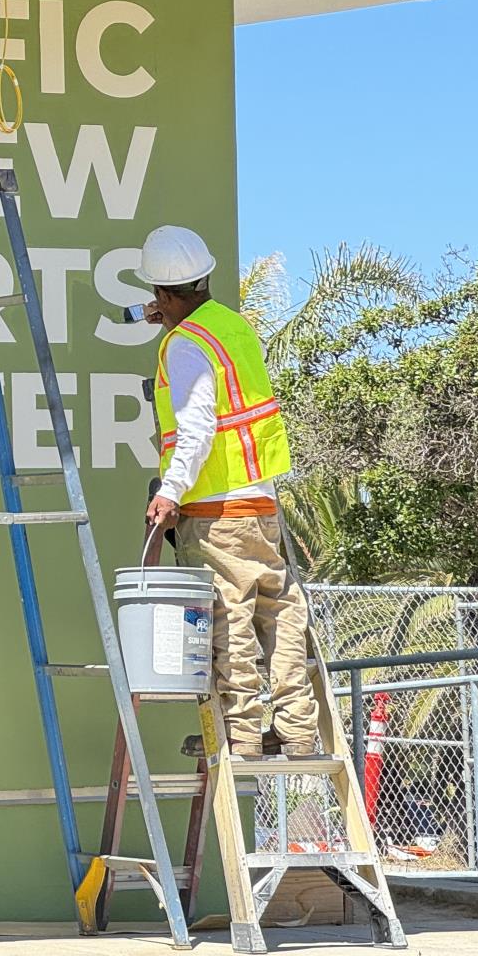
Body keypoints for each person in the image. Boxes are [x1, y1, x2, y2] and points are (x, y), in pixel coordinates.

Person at [138, 226, 323, 761]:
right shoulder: (230, 327)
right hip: (260, 501)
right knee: (279, 611)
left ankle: (241, 734)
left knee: (227, 617)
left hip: (217, 510)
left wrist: (171, 491)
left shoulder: (186, 344)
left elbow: (196, 427)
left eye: (157, 297)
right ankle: (297, 731)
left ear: (167, 295)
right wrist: (166, 315)